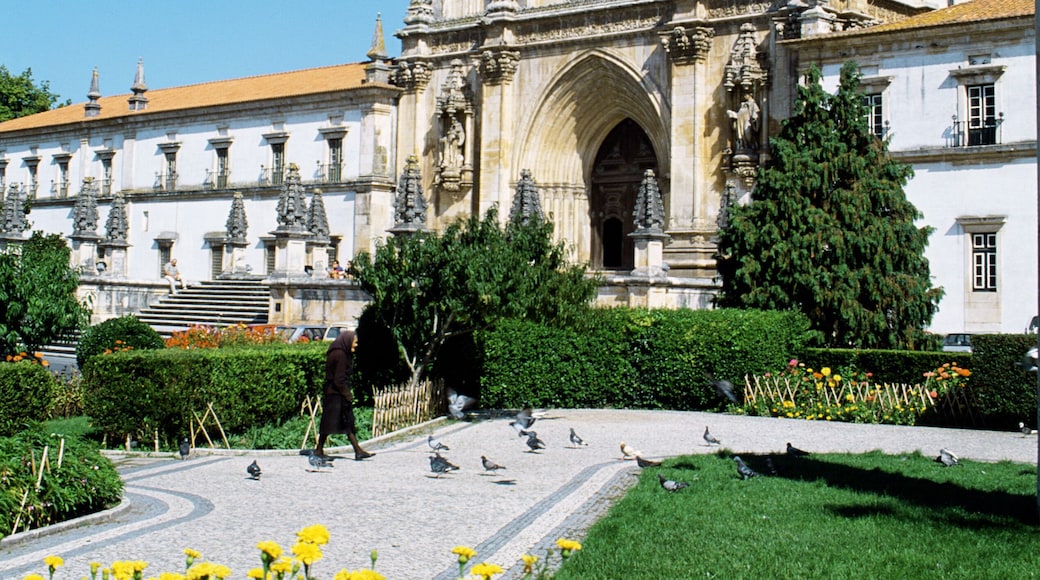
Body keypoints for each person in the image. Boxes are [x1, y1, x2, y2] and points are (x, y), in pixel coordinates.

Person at [314, 330, 375, 461]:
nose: (356, 345)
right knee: (333, 423)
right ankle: (319, 450)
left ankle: (357, 450)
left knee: (345, 422)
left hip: (334, 393)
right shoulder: (340, 355)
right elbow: (339, 379)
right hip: (336, 394)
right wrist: (347, 395)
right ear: (348, 341)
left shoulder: (338, 352)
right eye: (355, 342)